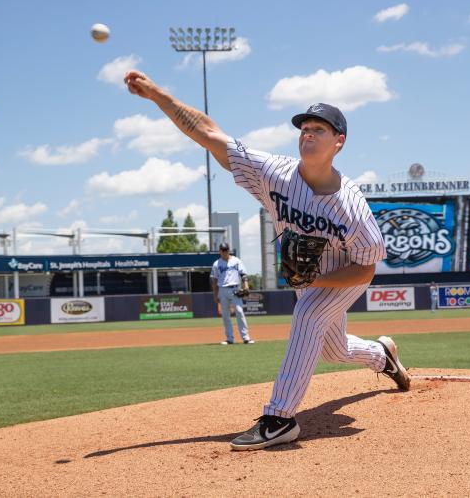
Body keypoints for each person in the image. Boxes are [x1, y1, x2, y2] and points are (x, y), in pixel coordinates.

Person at [124, 70, 411, 451]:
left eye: (319, 129)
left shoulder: (352, 206)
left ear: (339, 142)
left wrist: (317, 281)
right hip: (310, 278)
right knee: (334, 349)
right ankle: (382, 355)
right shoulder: (274, 173)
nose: (307, 133)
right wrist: (158, 95)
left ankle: (280, 417)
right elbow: (208, 133)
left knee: (308, 315)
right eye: (304, 127)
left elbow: (366, 267)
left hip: (345, 275)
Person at [210, 241, 254, 345]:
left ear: (229, 250)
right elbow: (214, 281)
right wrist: (215, 295)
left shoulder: (236, 261)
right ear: (220, 251)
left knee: (239, 311)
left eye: (226, 250)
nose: (225, 252)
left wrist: (246, 285)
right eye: (222, 250)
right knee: (225, 315)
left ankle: (246, 338)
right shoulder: (216, 264)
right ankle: (229, 338)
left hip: (235, 289)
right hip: (222, 290)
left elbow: (243, 274)